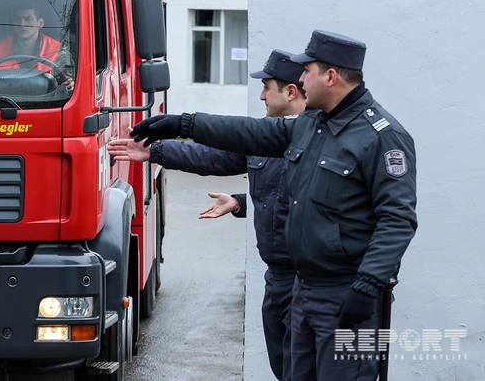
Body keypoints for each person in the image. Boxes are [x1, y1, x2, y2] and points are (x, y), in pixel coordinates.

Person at [129, 30, 418, 381]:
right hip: (304, 289)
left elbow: (398, 218)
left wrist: (369, 284)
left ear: (330, 76)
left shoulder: (382, 136)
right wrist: (187, 124)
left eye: (307, 70)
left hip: (349, 297)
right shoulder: (312, 124)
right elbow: (249, 134)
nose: (300, 78)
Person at [107, 49, 306, 381]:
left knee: (303, 369)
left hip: (306, 281)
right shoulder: (267, 136)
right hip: (278, 280)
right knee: (282, 367)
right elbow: (212, 157)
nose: (260, 94)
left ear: (291, 92)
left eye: (266, 86)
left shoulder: (313, 141)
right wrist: (156, 151)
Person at [0, 6, 75, 89]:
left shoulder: (58, 50)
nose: (22, 24)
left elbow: (68, 81)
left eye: (28, 19)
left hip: (47, 101)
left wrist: (69, 83)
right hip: (5, 100)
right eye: (17, 19)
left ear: (40, 23)